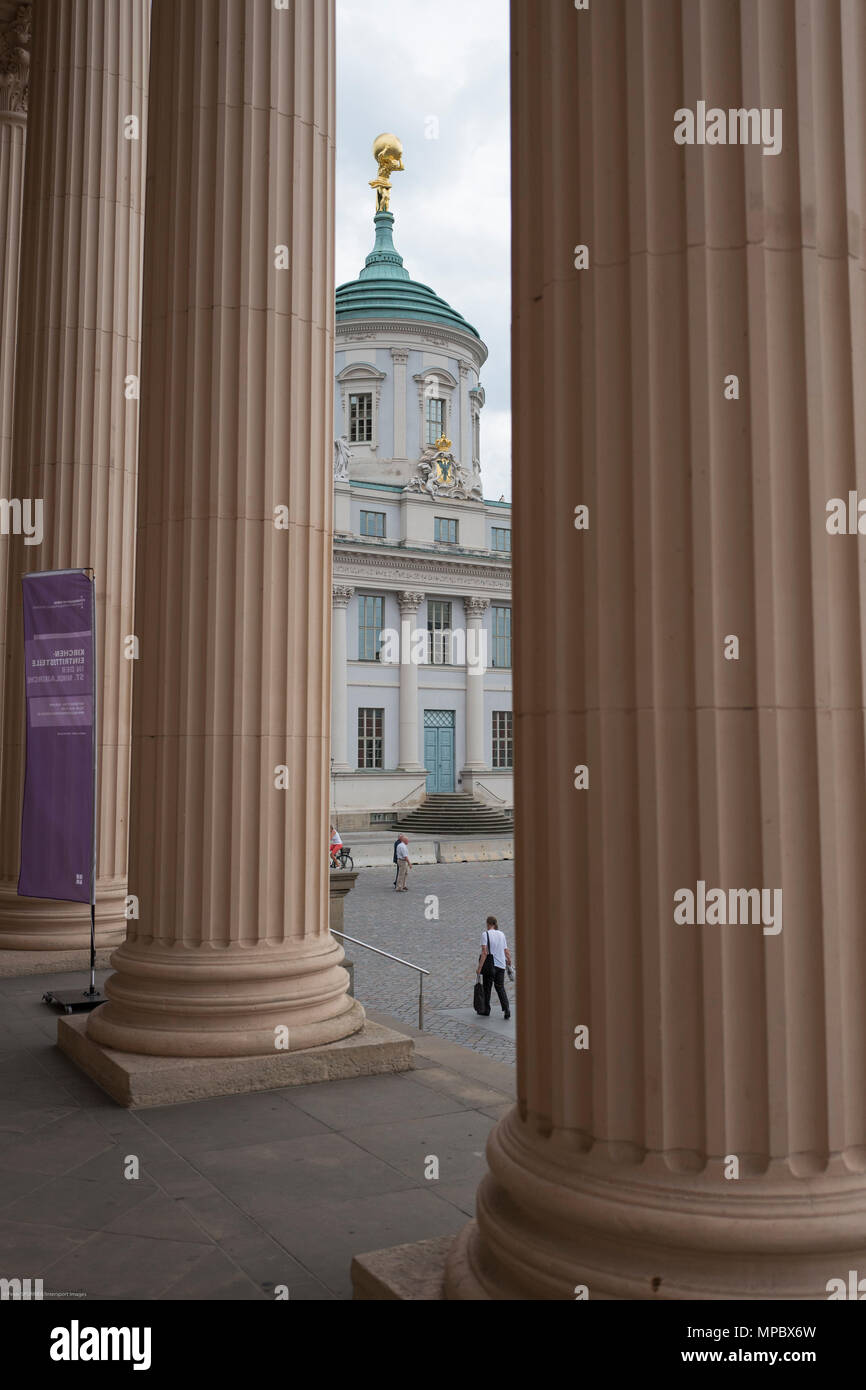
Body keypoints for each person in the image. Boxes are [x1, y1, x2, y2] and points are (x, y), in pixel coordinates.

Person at [477, 915, 511, 1019]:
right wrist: (509, 961)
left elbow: (484, 952)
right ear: (495, 924)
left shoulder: (485, 934)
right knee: (500, 987)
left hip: (490, 966)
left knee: (487, 988)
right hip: (501, 965)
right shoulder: (502, 934)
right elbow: (506, 950)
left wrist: (479, 968)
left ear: (488, 924)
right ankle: (506, 1009)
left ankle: (486, 1010)